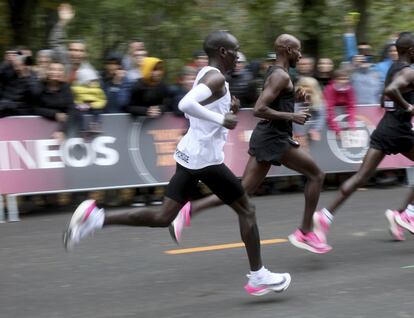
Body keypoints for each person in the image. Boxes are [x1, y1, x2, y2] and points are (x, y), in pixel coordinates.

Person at [63, 31, 291, 296]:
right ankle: (258, 276)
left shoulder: (208, 74)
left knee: (163, 217)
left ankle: (95, 218)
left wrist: (228, 111)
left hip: (191, 155)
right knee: (247, 210)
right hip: (206, 160)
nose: (238, 56)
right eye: (235, 50)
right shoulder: (215, 77)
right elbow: (186, 104)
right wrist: (222, 120)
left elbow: (201, 107)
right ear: (223, 52)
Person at [170, 34, 330, 254]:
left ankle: (189, 210)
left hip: (270, 137)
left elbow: (275, 99)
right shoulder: (280, 76)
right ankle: (305, 232)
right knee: (317, 175)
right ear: (285, 50)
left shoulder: (277, 72)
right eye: (297, 50)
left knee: (241, 192)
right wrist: (291, 116)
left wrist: (295, 99)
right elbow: (259, 109)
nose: (300, 55)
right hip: (274, 139)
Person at [310, 32, 414, 245]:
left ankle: (325, 216)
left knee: (361, 177)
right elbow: (391, 90)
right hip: (399, 131)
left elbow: (387, 93)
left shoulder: (393, 67)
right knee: (362, 177)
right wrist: (408, 107)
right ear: (411, 51)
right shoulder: (408, 72)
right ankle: (406, 213)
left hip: (385, 129)